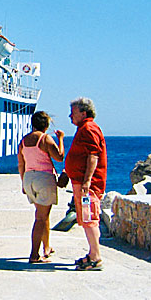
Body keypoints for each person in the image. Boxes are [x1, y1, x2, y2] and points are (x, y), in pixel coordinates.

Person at [60, 97, 107, 271]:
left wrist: (87, 181)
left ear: (83, 113)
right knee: (86, 219)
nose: (70, 116)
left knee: (90, 219)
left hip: (88, 185)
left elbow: (93, 156)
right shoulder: (84, 128)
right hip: (80, 182)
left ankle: (95, 257)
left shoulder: (89, 128)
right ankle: (92, 254)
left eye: (73, 113)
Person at [17, 111, 65, 263]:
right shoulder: (45, 139)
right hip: (44, 178)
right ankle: (34, 255)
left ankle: (47, 247)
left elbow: (21, 164)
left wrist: (23, 182)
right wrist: (61, 139)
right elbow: (59, 157)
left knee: (43, 215)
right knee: (40, 218)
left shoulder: (24, 141)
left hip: (29, 178)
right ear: (46, 125)